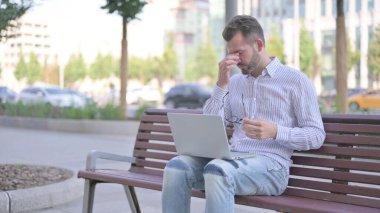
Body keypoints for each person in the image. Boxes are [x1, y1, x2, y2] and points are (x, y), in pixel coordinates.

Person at [161, 15, 326, 213]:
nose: (236, 60)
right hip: (233, 159)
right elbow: (212, 125)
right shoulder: (236, 83)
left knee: (218, 171)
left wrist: (276, 131)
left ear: (259, 44)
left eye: (240, 52)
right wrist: (221, 85)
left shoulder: (295, 81)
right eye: (231, 54)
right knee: (177, 167)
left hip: (272, 167)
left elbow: (317, 135)